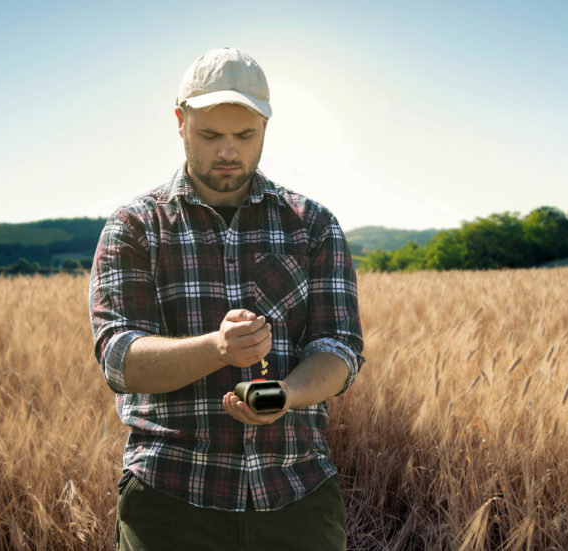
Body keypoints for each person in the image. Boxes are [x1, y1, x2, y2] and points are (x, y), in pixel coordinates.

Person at [89, 46, 364, 551]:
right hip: (170, 499)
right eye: (210, 135)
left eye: (245, 135)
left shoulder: (314, 225)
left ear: (265, 126)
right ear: (180, 122)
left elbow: (340, 348)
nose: (228, 152)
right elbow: (119, 360)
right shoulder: (134, 227)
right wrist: (218, 348)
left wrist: (285, 395)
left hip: (297, 492)